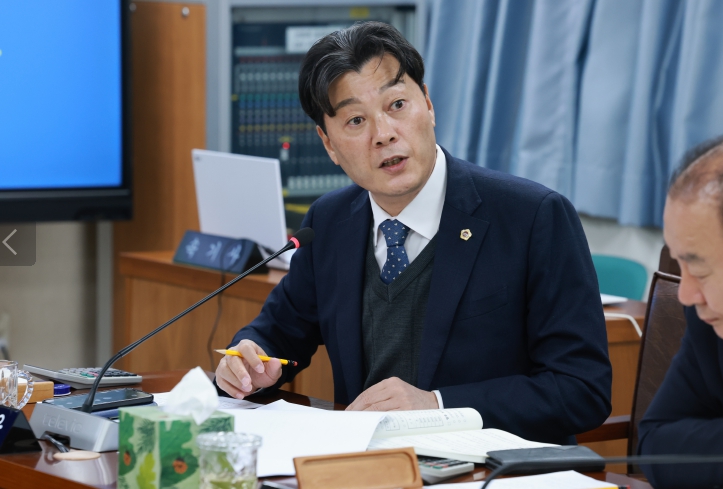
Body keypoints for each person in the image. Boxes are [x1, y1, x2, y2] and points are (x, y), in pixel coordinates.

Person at [215, 21, 611, 445]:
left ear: (428, 104)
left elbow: (581, 388)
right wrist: (249, 360)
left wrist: (437, 406)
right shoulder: (329, 222)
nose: (384, 133)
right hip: (369, 465)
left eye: (398, 104)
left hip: (491, 468)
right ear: (328, 144)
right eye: (355, 120)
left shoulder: (533, 217)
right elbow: (278, 334)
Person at [638, 136, 723, 488]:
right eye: (679, 264)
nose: (685, 295)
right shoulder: (708, 323)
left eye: (699, 270)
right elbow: (656, 439)